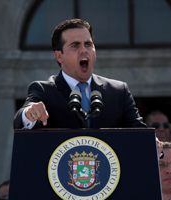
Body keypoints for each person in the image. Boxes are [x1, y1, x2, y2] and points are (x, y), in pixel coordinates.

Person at [13, 18, 147, 130]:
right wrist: (29, 113)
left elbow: (139, 132)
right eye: (75, 46)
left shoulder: (118, 92)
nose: (84, 50)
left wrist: (153, 143)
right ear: (59, 56)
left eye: (88, 44)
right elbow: (20, 121)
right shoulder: (44, 91)